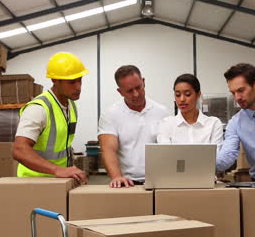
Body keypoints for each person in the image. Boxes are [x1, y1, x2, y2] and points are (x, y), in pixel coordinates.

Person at [13, 52, 89, 183]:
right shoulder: (38, 109)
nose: (78, 87)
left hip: (58, 181)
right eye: (71, 82)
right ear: (55, 80)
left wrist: (68, 168)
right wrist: (57, 170)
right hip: (34, 182)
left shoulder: (71, 105)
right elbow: (19, 150)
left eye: (80, 80)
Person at [98, 65, 169, 188]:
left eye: (138, 87)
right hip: (128, 183)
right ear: (120, 92)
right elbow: (108, 149)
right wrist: (116, 177)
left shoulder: (163, 112)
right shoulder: (110, 115)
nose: (136, 94)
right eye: (129, 91)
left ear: (144, 82)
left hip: (159, 182)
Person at [157, 73, 223, 150]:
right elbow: (166, 155)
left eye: (187, 94)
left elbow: (215, 157)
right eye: (178, 95)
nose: (182, 99)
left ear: (198, 95)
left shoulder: (213, 124)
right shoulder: (166, 124)